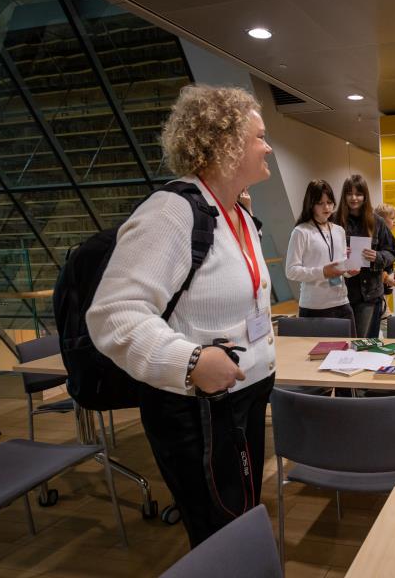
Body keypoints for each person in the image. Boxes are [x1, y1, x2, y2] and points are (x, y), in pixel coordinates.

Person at [87, 85, 276, 547]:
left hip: (242, 400)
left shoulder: (235, 214)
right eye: (259, 137)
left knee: (241, 520)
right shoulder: (172, 212)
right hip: (198, 410)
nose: (268, 147)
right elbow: (113, 313)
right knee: (218, 534)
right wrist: (189, 362)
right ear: (226, 143)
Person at [285, 180, 357, 336]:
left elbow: (340, 266)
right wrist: (322, 272)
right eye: (320, 203)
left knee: (350, 349)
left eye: (329, 202)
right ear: (311, 204)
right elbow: (291, 271)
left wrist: (349, 271)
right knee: (317, 352)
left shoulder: (339, 230)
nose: (327, 207)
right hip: (314, 307)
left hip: (342, 302)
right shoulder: (301, 232)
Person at [334, 174, 395, 338]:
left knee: (364, 343)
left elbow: (392, 252)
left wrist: (377, 256)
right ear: (344, 195)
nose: (354, 198)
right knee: (341, 343)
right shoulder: (334, 221)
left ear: (365, 196)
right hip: (339, 294)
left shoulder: (377, 222)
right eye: (349, 193)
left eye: (358, 194)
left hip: (369, 294)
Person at [374, 203, 395, 321]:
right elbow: (373, 265)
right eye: (392, 218)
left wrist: (394, 274)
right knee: (385, 321)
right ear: (381, 220)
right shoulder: (377, 239)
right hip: (378, 289)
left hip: (386, 289)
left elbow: (389, 261)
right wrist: (386, 278)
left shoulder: (389, 237)